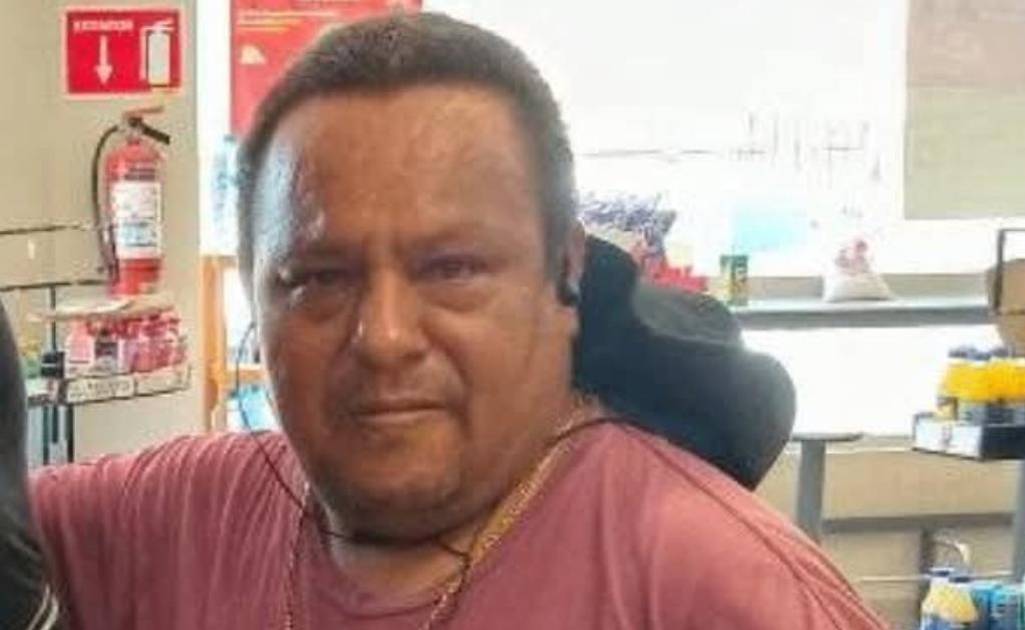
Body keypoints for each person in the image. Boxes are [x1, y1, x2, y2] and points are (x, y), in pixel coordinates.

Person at [2, 12, 885, 629]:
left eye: (452, 269)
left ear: (565, 273)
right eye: (319, 279)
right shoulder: (173, 525)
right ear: (256, 296)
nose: (384, 337)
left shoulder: (721, 590)